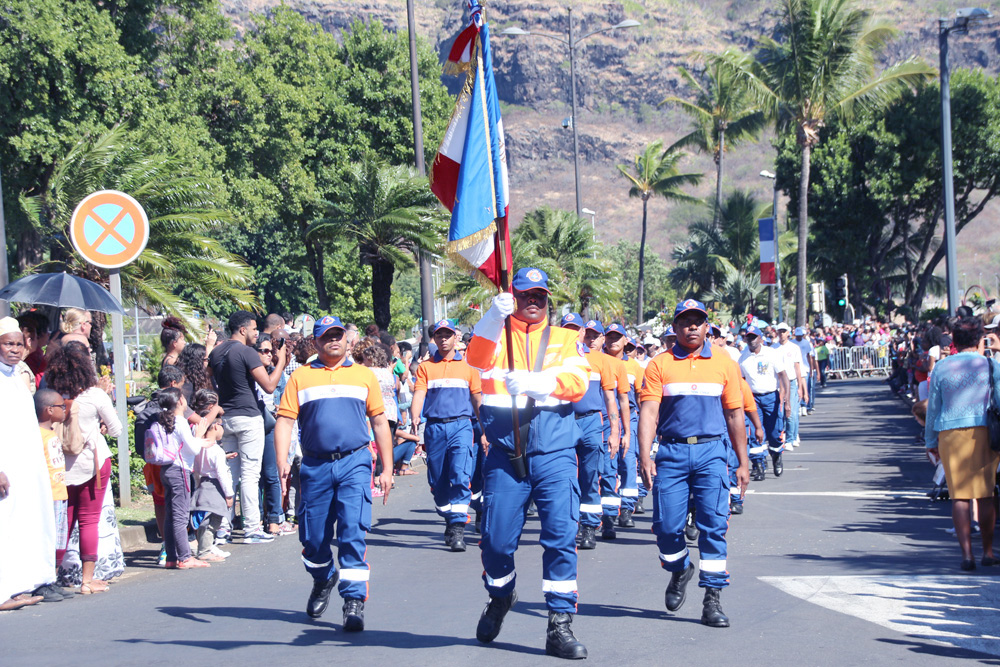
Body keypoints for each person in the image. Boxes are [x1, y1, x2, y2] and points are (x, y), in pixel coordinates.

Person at [466, 267, 591, 659]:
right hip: (506, 452)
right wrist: (490, 317)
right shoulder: (496, 335)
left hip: (553, 452)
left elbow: (579, 382)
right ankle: (501, 595)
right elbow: (475, 358)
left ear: (547, 299)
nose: (533, 301)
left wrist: (541, 383)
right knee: (496, 541)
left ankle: (559, 624)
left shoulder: (566, 338)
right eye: (525, 294)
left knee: (559, 537)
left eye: (540, 294)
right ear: (513, 297)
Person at [275, 315, 394, 632]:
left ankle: (353, 601)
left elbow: (380, 422)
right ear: (315, 342)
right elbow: (285, 421)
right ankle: (323, 576)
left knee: (353, 531)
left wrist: (387, 468)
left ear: (347, 339)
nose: (334, 340)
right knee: (313, 539)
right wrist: (282, 462)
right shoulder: (300, 377)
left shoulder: (363, 376)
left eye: (338, 334)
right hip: (315, 466)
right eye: (327, 336)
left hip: (355, 462)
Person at [638, 299, 749, 628]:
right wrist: (645, 456)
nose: (691, 326)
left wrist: (742, 462)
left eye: (698, 321)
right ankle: (679, 569)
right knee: (666, 528)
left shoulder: (725, 364)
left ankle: (712, 599)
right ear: (674, 328)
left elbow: (734, 414)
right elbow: (648, 413)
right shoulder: (659, 365)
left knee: (714, 527)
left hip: (713, 453)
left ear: (706, 326)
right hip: (671, 454)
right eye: (685, 321)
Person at [46, 341, 123, 593]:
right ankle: (87, 581)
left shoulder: (52, 396)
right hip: (93, 464)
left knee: (62, 521)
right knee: (89, 520)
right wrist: (99, 426)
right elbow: (117, 429)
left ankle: (53, 577)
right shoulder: (94, 396)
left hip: (59, 467)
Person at [925, 316, 1000, 570]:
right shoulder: (990, 365)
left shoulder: (942, 368)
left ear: (954, 340)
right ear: (980, 339)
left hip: (951, 433)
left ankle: (967, 555)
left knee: (959, 496)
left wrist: (929, 441)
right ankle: (988, 552)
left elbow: (933, 409)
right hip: (985, 432)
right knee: (986, 494)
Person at [208, 310, 286, 543]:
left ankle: (222, 528)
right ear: (242, 330)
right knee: (250, 474)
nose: (256, 333)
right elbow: (270, 386)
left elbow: (209, 379)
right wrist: (281, 360)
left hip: (226, 417)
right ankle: (252, 528)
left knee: (229, 475)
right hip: (249, 417)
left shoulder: (216, 352)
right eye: (253, 329)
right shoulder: (246, 353)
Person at [410, 319, 485, 552]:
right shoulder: (425, 368)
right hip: (434, 428)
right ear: (435, 338)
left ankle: (457, 528)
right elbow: (419, 394)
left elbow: (477, 400)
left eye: (447, 334)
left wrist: (485, 430)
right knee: (438, 481)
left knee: (461, 475)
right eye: (439, 335)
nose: (443, 338)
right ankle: (446, 513)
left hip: (461, 426)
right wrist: (414, 417)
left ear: (456, 337)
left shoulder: (469, 366)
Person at [0, 318, 55, 610]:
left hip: (25, 468)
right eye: (8, 343)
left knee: (20, 526)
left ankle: (16, 586)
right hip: (5, 470)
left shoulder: (16, 378)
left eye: (19, 344)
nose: (14, 349)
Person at [144, 387, 217, 568]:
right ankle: (185, 557)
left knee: (170, 515)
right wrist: (199, 437)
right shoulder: (181, 422)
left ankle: (171, 557)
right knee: (181, 516)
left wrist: (197, 441)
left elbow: (183, 444)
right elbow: (191, 449)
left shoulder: (162, 421)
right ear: (179, 402)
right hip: (180, 471)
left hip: (166, 470)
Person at [566, 317, 620, 549]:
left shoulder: (600, 360)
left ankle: (588, 527)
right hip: (563, 422)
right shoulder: (554, 358)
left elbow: (610, 397)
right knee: (565, 477)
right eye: (565, 329)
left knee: (589, 476)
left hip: (590, 422)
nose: (571, 333)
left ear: (582, 332)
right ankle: (568, 526)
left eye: (575, 330)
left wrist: (615, 430)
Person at [33, 388, 74, 602]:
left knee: (58, 541)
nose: (65, 409)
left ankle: (51, 579)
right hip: (47, 496)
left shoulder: (51, 434)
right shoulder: (36, 436)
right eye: (61, 406)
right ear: (49, 410)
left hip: (60, 493)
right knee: (47, 540)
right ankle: (41, 583)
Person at [738, 326, 790, 480]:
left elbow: (783, 375)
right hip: (753, 399)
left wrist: (786, 399)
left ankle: (776, 456)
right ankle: (759, 465)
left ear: (760, 338)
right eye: (748, 337)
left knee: (774, 432)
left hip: (771, 397)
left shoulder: (770, 354)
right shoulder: (742, 358)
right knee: (756, 433)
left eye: (754, 337)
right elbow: (741, 381)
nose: (751, 340)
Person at [604, 323, 643, 523]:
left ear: (625, 341)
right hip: (604, 417)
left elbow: (639, 396)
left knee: (628, 462)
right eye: (609, 336)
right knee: (608, 465)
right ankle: (609, 510)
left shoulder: (634, 366)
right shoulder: (600, 360)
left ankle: (627, 507)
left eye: (617, 337)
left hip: (630, 416)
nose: (613, 341)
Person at [190, 394, 234, 563]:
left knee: (203, 520)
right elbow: (222, 474)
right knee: (213, 520)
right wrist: (229, 494)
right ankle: (205, 550)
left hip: (202, 484)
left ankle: (203, 548)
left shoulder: (200, 446)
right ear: (215, 427)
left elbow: (198, 468)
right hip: (215, 487)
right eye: (222, 427)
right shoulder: (216, 450)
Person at [771, 323, 806, 450]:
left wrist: (800, 387)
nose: (781, 334)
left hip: (791, 382)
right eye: (779, 331)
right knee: (779, 413)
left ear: (788, 333)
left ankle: (791, 439)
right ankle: (782, 436)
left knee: (790, 412)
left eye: (784, 331)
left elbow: (797, 367)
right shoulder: (773, 348)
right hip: (778, 382)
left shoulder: (794, 347)